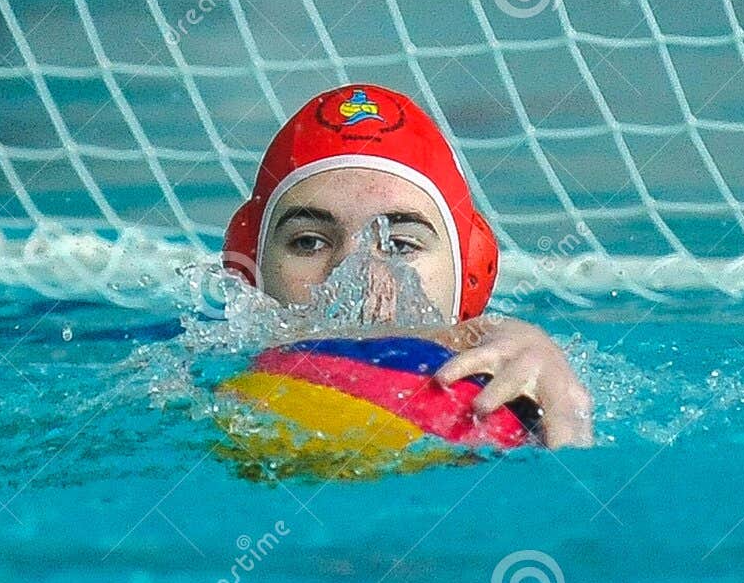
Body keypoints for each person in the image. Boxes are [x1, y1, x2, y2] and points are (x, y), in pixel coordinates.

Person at [223, 84, 593, 449]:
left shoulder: (507, 384)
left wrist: (538, 361)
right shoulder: (189, 373)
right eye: (309, 242)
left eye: (399, 244)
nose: (358, 275)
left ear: (470, 275)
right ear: (249, 268)